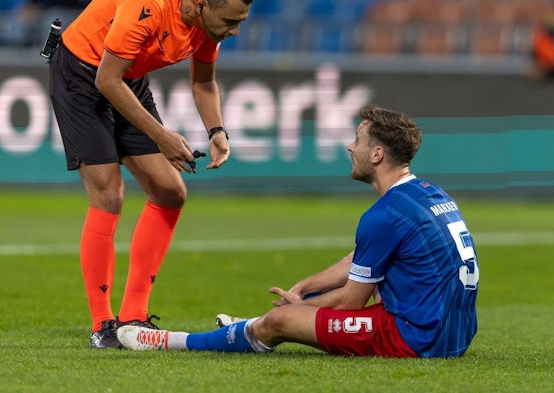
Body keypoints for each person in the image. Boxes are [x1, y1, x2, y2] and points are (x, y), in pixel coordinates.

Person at [117, 105, 480, 358]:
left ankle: (168, 340)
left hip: (416, 338)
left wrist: (301, 308)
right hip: (455, 334)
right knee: (351, 299)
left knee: (280, 321)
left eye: (358, 140)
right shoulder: (429, 193)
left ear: (377, 155)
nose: (350, 147)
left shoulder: (383, 214)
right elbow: (362, 259)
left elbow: (350, 302)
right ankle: (251, 325)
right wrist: (307, 286)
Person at [47, 0, 255, 348]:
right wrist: (161, 136)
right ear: (201, 4)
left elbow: (204, 81)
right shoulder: (149, 4)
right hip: (81, 74)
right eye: (230, 22)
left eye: (240, 21)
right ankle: (102, 325)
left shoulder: (207, 22)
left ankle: (135, 317)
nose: (235, 31)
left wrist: (217, 130)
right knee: (109, 194)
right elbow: (104, 79)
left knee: (170, 191)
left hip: (124, 76)